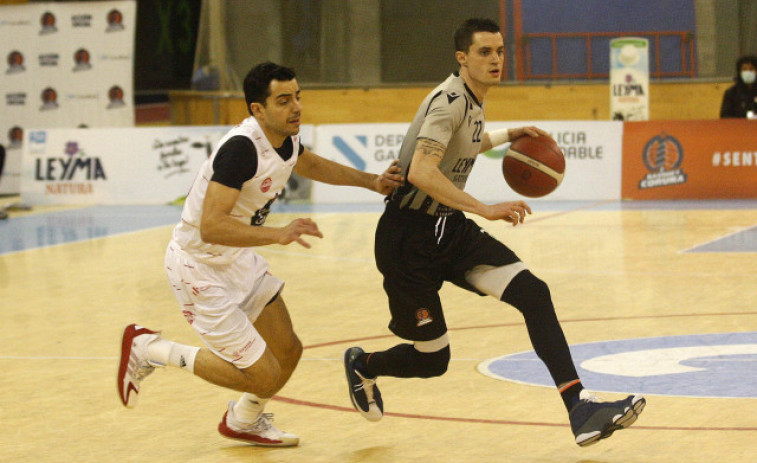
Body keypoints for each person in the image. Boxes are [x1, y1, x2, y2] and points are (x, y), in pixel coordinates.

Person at [342, 18, 646, 447]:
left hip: (447, 229)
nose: (496, 59)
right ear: (462, 58)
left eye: (500, 51)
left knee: (534, 293)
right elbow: (422, 171)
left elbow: (466, 142)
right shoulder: (448, 101)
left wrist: (511, 133)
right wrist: (485, 208)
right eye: (485, 52)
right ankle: (363, 364)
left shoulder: (471, 98)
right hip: (407, 241)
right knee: (434, 359)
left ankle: (580, 407)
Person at [117, 62, 403, 447]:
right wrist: (279, 234)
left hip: (236, 259)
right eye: (283, 100)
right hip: (198, 267)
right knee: (264, 376)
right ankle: (151, 349)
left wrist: (372, 181)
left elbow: (310, 163)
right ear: (257, 109)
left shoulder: (286, 138)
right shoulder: (240, 150)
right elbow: (211, 226)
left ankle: (244, 419)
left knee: (289, 350)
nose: (296, 106)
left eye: (298, 96)